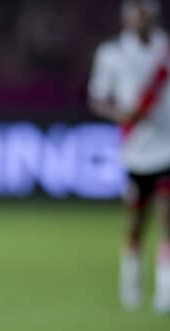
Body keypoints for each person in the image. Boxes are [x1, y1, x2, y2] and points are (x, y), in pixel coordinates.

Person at [88, 0, 170, 313]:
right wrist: (120, 114)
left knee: (166, 217)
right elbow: (97, 98)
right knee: (137, 221)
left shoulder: (165, 50)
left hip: (167, 146)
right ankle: (131, 279)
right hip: (136, 149)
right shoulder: (112, 53)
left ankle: (164, 293)